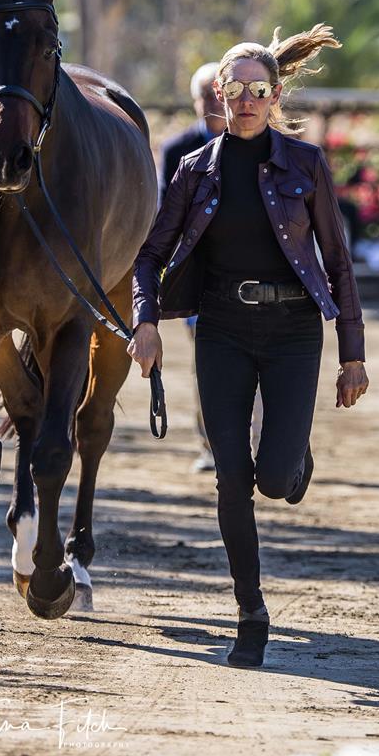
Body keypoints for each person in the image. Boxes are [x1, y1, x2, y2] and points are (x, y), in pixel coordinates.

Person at [129, 25, 369, 669]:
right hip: (222, 333)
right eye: (232, 89)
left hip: (293, 334)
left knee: (273, 477)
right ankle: (250, 613)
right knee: (231, 480)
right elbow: (149, 256)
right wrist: (145, 322)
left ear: (275, 94)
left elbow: (339, 264)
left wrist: (353, 355)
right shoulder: (192, 170)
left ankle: (293, 459)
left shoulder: (306, 165)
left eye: (257, 90)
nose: (244, 100)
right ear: (218, 94)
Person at [159, 63, 233, 472]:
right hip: (199, 271)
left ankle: (247, 439)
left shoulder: (249, 143)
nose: (210, 104)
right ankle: (211, 444)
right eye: (203, 97)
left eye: (215, 95)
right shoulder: (178, 150)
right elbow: (164, 211)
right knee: (207, 360)